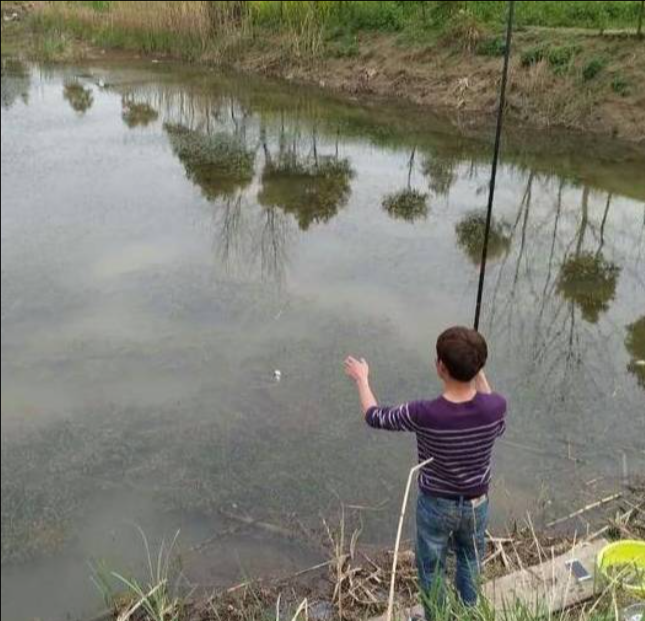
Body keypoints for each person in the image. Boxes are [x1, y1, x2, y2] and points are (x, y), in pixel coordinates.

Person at [344, 326, 507, 617]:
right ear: (480, 366)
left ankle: (437, 616)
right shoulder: (495, 407)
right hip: (476, 505)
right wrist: (478, 370)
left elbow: (374, 416)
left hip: (435, 506)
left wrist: (362, 379)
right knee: (470, 559)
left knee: (431, 568)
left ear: (440, 367)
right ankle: (469, 611)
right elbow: (495, 418)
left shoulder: (425, 413)